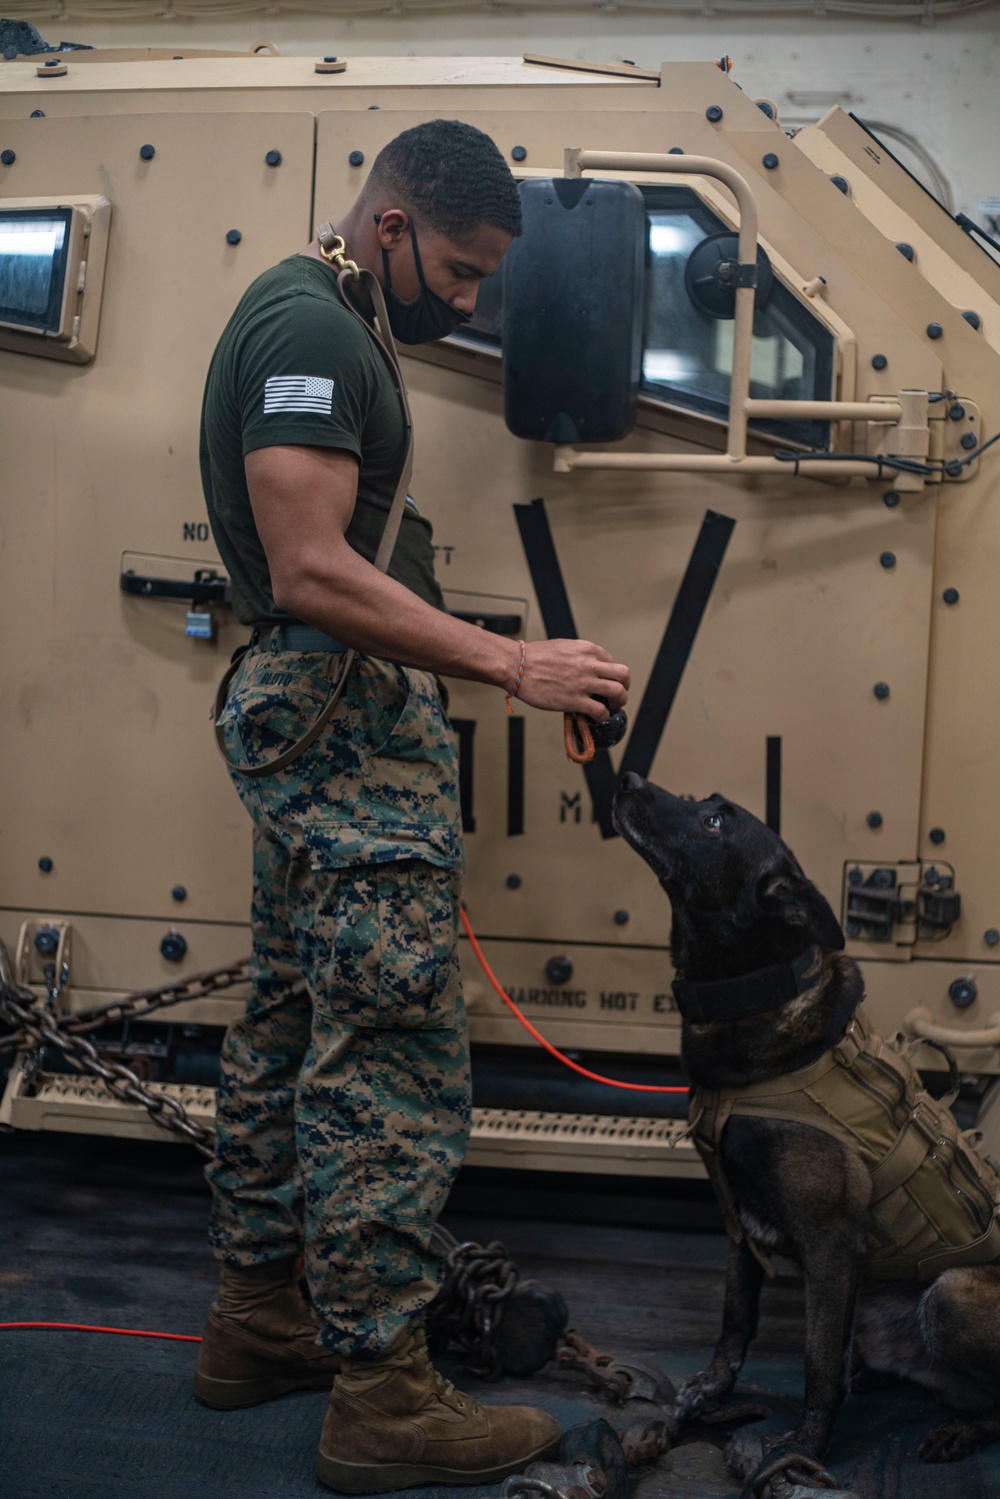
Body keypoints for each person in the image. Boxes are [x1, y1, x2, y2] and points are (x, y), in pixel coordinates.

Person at [195, 117, 630, 1493]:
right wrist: (513, 663)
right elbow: (310, 568)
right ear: (389, 228)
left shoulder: (331, 318)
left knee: (284, 1016)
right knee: (388, 1053)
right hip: (335, 725)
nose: (468, 302)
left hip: (328, 725)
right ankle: (384, 1393)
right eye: (454, 269)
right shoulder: (314, 330)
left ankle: (260, 1319)